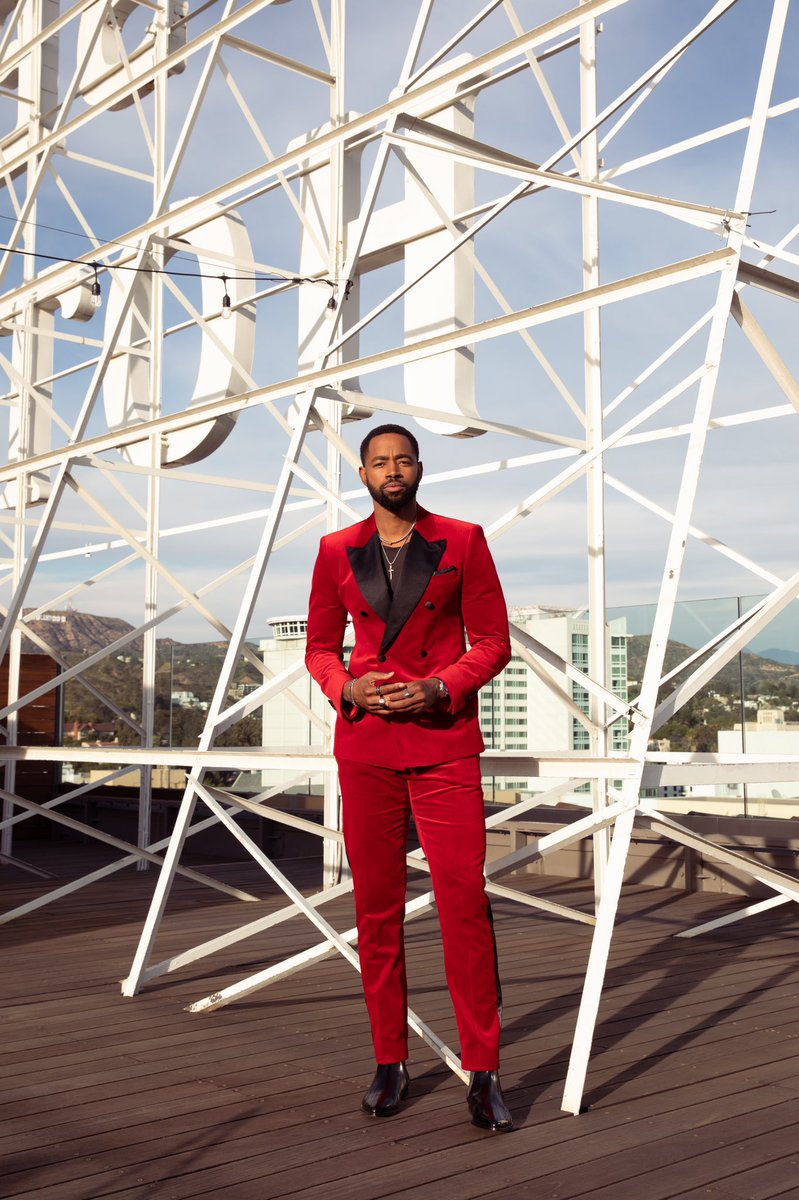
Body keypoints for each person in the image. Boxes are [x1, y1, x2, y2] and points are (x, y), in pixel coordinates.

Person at [305, 423, 514, 1133]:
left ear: (417, 468)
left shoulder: (462, 539)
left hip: (444, 742)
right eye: (378, 462)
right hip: (365, 746)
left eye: (402, 460)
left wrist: (439, 688)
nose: (391, 470)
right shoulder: (336, 549)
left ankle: (482, 1071)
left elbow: (492, 642)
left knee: (464, 903)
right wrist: (347, 690)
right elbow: (318, 648)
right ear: (362, 474)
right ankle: (388, 1061)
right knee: (376, 908)